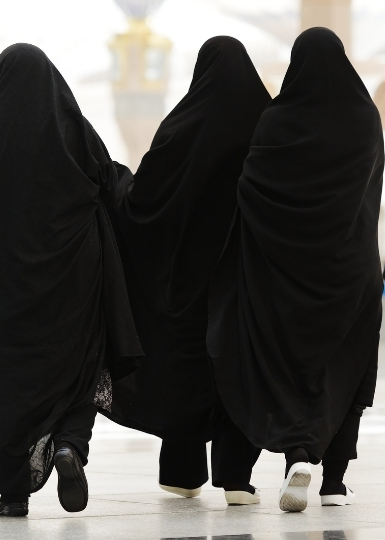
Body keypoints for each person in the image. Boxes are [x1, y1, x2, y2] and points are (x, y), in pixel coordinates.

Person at [0, 44, 143, 517]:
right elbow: (113, 187)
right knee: (83, 369)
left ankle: (13, 493)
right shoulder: (72, 130)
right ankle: (71, 445)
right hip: (71, 287)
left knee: (6, 387)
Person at [207, 28, 383, 513]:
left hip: (283, 275)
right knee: (345, 369)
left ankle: (297, 451)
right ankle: (333, 483)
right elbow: (369, 193)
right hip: (350, 273)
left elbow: (250, 188)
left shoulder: (276, 120)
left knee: (286, 366)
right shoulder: (364, 117)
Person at [99, 36, 271, 505]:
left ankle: (182, 470)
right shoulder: (266, 123)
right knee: (239, 369)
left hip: (184, 285)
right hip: (243, 280)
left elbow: (144, 202)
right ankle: (236, 478)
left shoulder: (180, 126)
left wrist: (114, 182)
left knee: (183, 369)